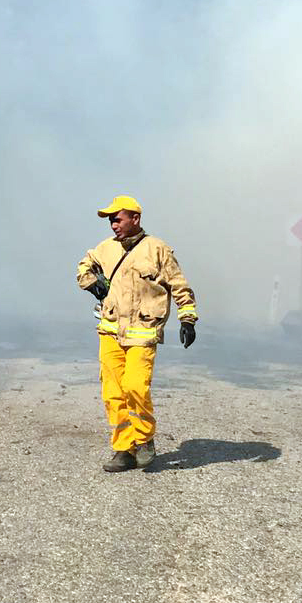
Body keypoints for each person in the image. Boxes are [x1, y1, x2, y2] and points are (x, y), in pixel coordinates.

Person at [75, 195, 199, 471]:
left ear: (135, 219)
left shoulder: (157, 249)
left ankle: (144, 439)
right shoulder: (105, 249)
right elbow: (83, 267)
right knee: (113, 393)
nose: (113, 226)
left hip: (142, 332)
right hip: (109, 332)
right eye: (110, 221)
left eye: (117, 219)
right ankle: (123, 449)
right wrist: (93, 283)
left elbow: (179, 285)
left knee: (135, 386)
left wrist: (187, 318)